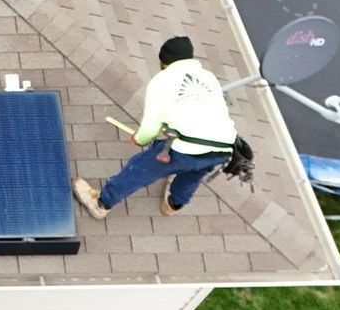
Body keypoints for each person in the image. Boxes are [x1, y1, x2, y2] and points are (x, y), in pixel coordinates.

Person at [73, 36, 239, 219]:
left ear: (164, 62)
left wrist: (140, 139)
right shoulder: (208, 77)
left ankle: (101, 203)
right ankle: (174, 205)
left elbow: (150, 128)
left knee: (138, 169)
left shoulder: (162, 81)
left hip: (186, 149)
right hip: (224, 148)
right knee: (192, 174)